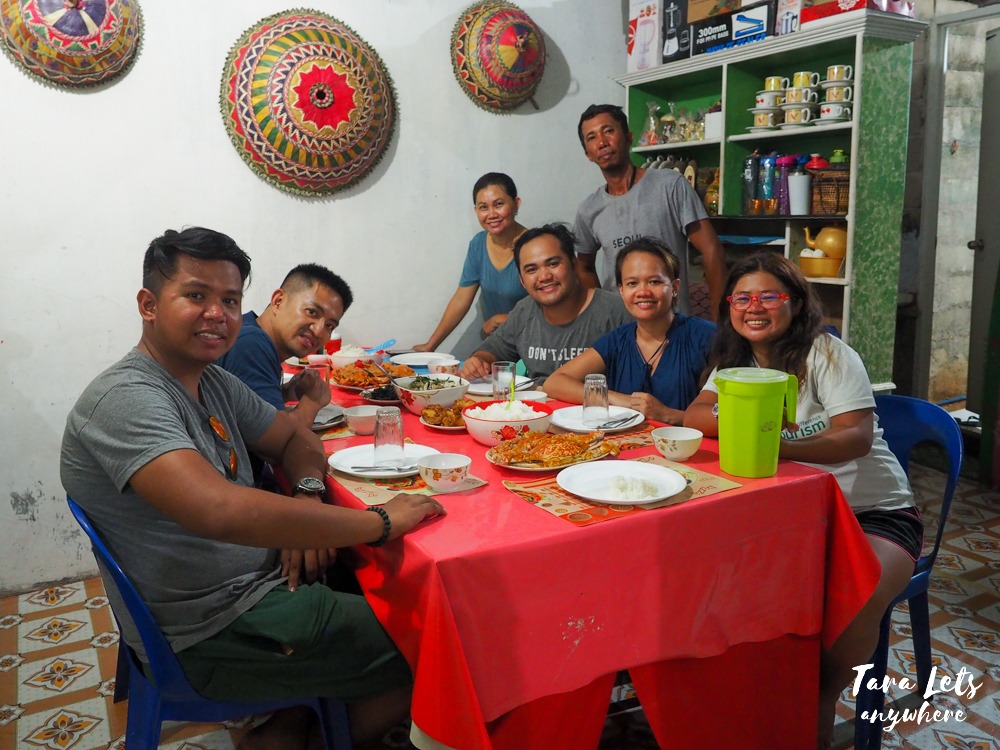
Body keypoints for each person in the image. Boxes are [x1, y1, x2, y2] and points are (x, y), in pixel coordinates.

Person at [60, 227, 444, 749]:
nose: (218, 313)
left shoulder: (211, 379)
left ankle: (293, 722)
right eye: (196, 295)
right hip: (212, 627)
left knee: (390, 590)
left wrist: (306, 492)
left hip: (258, 586)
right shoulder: (126, 398)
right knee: (439, 636)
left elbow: (297, 440)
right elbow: (216, 509)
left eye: (230, 300)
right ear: (149, 304)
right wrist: (379, 522)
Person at [683, 252, 920, 750]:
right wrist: (747, 428)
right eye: (742, 298)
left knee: (854, 598)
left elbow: (854, 437)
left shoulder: (828, 355)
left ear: (794, 303)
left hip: (873, 513)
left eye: (770, 296)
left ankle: (820, 700)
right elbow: (696, 414)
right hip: (791, 515)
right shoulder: (737, 362)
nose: (755, 307)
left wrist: (769, 444)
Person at [573, 103, 727, 320]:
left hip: (672, 328)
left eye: (609, 131)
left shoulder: (670, 185)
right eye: (592, 137)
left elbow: (711, 250)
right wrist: (602, 315)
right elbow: (583, 266)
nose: (602, 142)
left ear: (628, 138)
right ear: (588, 154)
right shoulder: (589, 209)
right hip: (621, 333)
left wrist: (720, 320)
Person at [543, 237, 715, 424]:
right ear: (621, 290)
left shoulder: (706, 337)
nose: (643, 291)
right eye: (632, 283)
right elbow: (555, 382)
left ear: (675, 288)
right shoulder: (618, 340)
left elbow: (728, 417)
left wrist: (668, 414)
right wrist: (622, 401)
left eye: (654, 281)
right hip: (625, 448)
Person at [458, 223, 632, 382]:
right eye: (532, 269)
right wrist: (478, 361)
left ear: (574, 264)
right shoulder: (525, 311)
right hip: (537, 411)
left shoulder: (616, 311)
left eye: (553, 264)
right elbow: (492, 350)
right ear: (522, 281)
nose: (544, 277)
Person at [217, 263, 352, 429]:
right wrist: (312, 401)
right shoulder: (251, 344)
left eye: (330, 326)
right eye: (312, 312)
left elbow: (246, 409)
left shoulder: (250, 329)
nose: (318, 331)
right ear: (278, 301)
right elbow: (276, 446)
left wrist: (286, 392)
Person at [413, 172, 529, 354]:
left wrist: (505, 319)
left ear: (516, 204)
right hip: (499, 345)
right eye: (483, 207)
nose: (492, 214)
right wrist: (430, 345)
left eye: (499, 204)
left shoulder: (534, 246)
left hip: (533, 344)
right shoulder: (478, 244)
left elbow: (552, 306)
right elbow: (461, 299)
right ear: (476, 211)